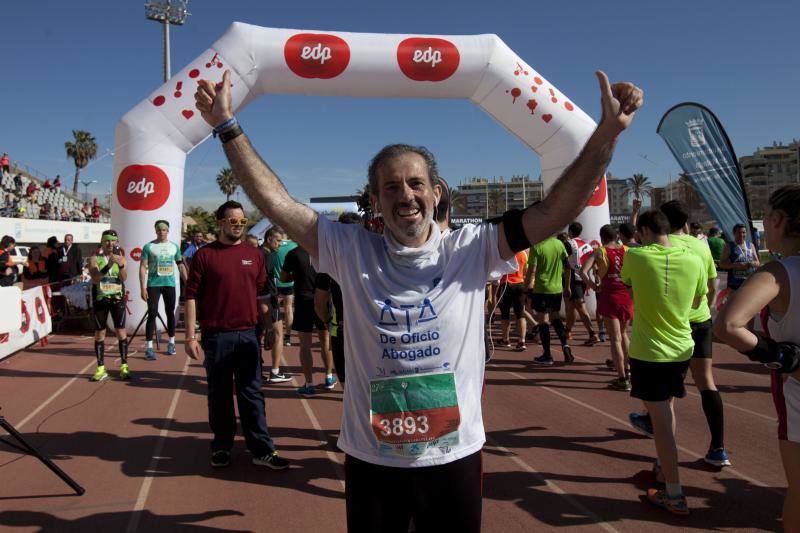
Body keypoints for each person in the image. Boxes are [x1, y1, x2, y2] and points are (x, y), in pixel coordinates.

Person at [195, 67, 642, 531]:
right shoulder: (349, 249)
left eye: (415, 183)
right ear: (374, 199)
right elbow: (278, 205)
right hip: (373, 458)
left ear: (436, 191)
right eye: (391, 187)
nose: (404, 195)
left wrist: (607, 133)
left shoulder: (475, 248)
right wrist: (227, 127)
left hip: (453, 456)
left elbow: (556, 210)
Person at [714, 184, 800, 531]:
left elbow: (729, 325)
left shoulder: (779, 272)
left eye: (766, 216)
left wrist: (782, 357)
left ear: (779, 219)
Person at [184, 201, 290, 471]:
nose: (238, 226)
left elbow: (262, 295)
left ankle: (262, 449)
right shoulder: (204, 256)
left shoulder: (254, 255)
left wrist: (268, 327)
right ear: (220, 222)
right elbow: (192, 297)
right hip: (216, 336)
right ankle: (221, 446)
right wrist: (189, 337)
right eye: (233, 221)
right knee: (219, 395)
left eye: (242, 222)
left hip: (248, 335)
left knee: (252, 394)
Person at [621, 210, 707, 515]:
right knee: (666, 409)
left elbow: (629, 285)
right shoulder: (694, 258)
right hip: (682, 347)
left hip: (650, 351)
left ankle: (674, 492)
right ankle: (663, 466)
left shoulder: (636, 256)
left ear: (644, 230)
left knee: (661, 425)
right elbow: (698, 302)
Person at [658, 200, 729, 467]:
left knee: (667, 392)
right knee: (706, 381)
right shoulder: (701, 245)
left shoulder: (661, 247)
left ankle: (663, 463)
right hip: (701, 322)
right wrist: (705, 308)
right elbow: (712, 284)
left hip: (673, 325)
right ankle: (719, 448)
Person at [580, 224, 633, 390]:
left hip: (609, 296)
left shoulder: (599, 252)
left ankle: (622, 378)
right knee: (624, 334)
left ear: (602, 238)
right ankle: (629, 370)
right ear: (616, 236)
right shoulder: (628, 250)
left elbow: (583, 271)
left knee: (615, 338)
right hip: (626, 295)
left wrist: (593, 286)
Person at [315, 212, 362, 389]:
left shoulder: (328, 263)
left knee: (346, 384)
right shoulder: (374, 258)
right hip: (369, 327)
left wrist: (328, 321)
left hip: (340, 327)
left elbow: (319, 304)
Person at [282, 243, 335, 395]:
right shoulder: (325, 250)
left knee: (305, 344)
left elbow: (283, 278)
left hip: (303, 300)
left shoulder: (294, 253)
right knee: (325, 340)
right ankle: (329, 377)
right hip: (323, 299)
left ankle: (309, 384)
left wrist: (297, 275)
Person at [139, 220, 187, 360]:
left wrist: (188, 282)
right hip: (153, 284)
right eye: (159, 230)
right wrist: (142, 287)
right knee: (152, 313)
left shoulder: (174, 247)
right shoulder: (149, 247)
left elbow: (180, 265)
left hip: (169, 284)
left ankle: (171, 343)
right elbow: (142, 267)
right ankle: (149, 348)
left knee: (170, 313)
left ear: (168, 231)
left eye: (164, 229)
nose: (162, 232)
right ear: (156, 231)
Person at [88, 229, 130, 381]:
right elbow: (95, 278)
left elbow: (124, 278)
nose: (110, 243)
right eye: (107, 240)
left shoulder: (122, 258)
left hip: (117, 298)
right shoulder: (94, 258)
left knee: (121, 331)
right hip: (101, 299)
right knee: (100, 333)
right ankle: (100, 368)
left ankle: (124, 366)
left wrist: (119, 266)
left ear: (116, 242)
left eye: (113, 241)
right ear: (102, 241)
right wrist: (109, 265)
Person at [527, 234, 573, 365]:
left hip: (542, 288)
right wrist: (567, 286)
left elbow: (532, 271)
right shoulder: (559, 244)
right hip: (557, 288)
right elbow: (568, 266)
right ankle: (565, 345)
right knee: (555, 317)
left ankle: (547, 354)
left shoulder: (537, 246)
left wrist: (527, 287)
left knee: (543, 321)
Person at [259, 225, 290, 383]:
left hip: (257, 299)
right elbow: (263, 280)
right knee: (278, 334)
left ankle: (256, 371)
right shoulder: (270, 256)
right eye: (278, 241)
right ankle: (275, 371)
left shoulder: (257, 252)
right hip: (267, 298)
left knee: (257, 336)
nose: (279, 245)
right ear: (269, 239)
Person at [564, 222, 599, 344]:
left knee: (579, 306)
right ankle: (567, 331)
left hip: (573, 279)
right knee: (572, 306)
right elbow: (593, 264)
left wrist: (567, 285)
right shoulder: (588, 246)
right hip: (583, 278)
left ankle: (592, 333)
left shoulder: (569, 244)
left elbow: (565, 263)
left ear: (570, 232)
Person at [498, 249, 530, 351]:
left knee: (505, 314)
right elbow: (526, 271)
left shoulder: (505, 253)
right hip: (520, 284)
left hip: (506, 284)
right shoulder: (524, 254)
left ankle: (506, 339)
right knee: (520, 314)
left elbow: (499, 269)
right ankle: (522, 341)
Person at [720, 223, 760, 292]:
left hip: (749, 282)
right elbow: (721, 264)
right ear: (734, 233)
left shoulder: (750, 245)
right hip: (735, 284)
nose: (741, 235)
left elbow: (757, 262)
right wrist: (735, 265)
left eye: (743, 232)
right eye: (739, 232)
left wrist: (750, 264)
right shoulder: (729, 246)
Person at [274, 231, 297, 346]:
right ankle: (287, 337)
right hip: (289, 282)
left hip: (275, 282)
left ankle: (276, 334)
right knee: (288, 309)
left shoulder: (274, 244)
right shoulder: (294, 246)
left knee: (274, 308)